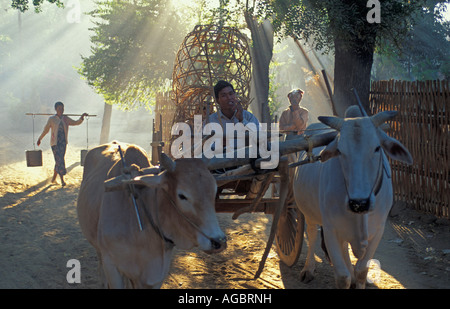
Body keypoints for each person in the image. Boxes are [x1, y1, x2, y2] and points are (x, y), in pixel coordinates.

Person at [37, 102, 87, 186]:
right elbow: (46, 130)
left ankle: (53, 178)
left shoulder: (65, 119)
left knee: (58, 160)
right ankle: (62, 180)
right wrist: (40, 138)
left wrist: (81, 118)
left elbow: (76, 123)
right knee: (60, 160)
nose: (61, 110)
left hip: (63, 143)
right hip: (55, 143)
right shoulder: (52, 119)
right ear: (56, 109)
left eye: (62, 108)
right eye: (59, 108)